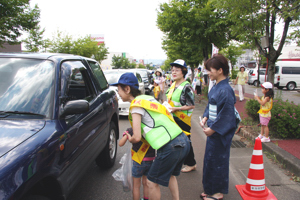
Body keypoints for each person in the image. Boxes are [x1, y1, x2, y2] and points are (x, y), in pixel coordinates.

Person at [111, 72, 190, 200]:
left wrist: (130, 139)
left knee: (151, 182)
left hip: (170, 145)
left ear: (127, 89)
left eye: (119, 90)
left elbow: (136, 137)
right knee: (170, 176)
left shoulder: (136, 105)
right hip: (183, 140)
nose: (118, 93)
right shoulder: (147, 98)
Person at [200, 54, 237, 200]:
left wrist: (213, 129)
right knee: (210, 159)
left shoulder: (226, 89)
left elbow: (227, 115)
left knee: (218, 161)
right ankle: (210, 189)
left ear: (220, 70)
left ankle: (218, 192)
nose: (208, 73)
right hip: (213, 131)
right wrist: (205, 117)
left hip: (219, 133)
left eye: (210, 70)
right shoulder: (216, 87)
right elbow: (210, 105)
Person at [166, 59, 197, 173]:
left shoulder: (186, 87)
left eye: (177, 70)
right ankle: (179, 162)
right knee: (175, 142)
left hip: (183, 119)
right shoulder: (173, 84)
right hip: (173, 118)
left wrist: (176, 109)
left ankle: (191, 163)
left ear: (183, 72)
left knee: (185, 142)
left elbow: (191, 105)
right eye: (172, 70)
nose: (173, 72)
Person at [119, 127, 155, 200]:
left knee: (136, 186)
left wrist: (127, 134)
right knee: (146, 183)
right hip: (150, 160)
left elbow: (120, 144)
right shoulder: (151, 127)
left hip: (138, 161)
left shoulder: (132, 129)